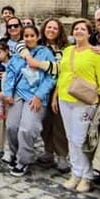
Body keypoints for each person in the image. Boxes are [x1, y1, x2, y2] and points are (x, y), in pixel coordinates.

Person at [54, 18, 100, 193]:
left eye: (82, 29)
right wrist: (55, 97)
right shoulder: (68, 51)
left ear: (89, 33)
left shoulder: (95, 54)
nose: (78, 31)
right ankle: (76, 172)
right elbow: (62, 75)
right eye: (76, 29)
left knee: (80, 140)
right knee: (70, 138)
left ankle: (87, 175)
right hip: (65, 98)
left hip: (84, 102)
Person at [0, 25, 56, 177]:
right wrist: (8, 93)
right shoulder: (19, 54)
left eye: (32, 35)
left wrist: (39, 95)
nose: (29, 38)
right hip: (18, 93)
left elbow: (51, 77)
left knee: (27, 128)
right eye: (26, 36)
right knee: (12, 126)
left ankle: (23, 160)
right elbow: (10, 73)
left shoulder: (45, 53)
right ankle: (15, 153)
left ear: (37, 37)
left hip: (36, 96)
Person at [25, 18, 70, 175]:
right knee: (45, 123)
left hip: (58, 90)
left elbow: (61, 71)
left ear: (60, 31)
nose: (51, 30)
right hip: (41, 90)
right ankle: (48, 151)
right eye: (49, 27)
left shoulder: (65, 49)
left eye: (55, 28)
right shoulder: (38, 47)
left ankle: (62, 155)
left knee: (59, 124)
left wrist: (55, 95)